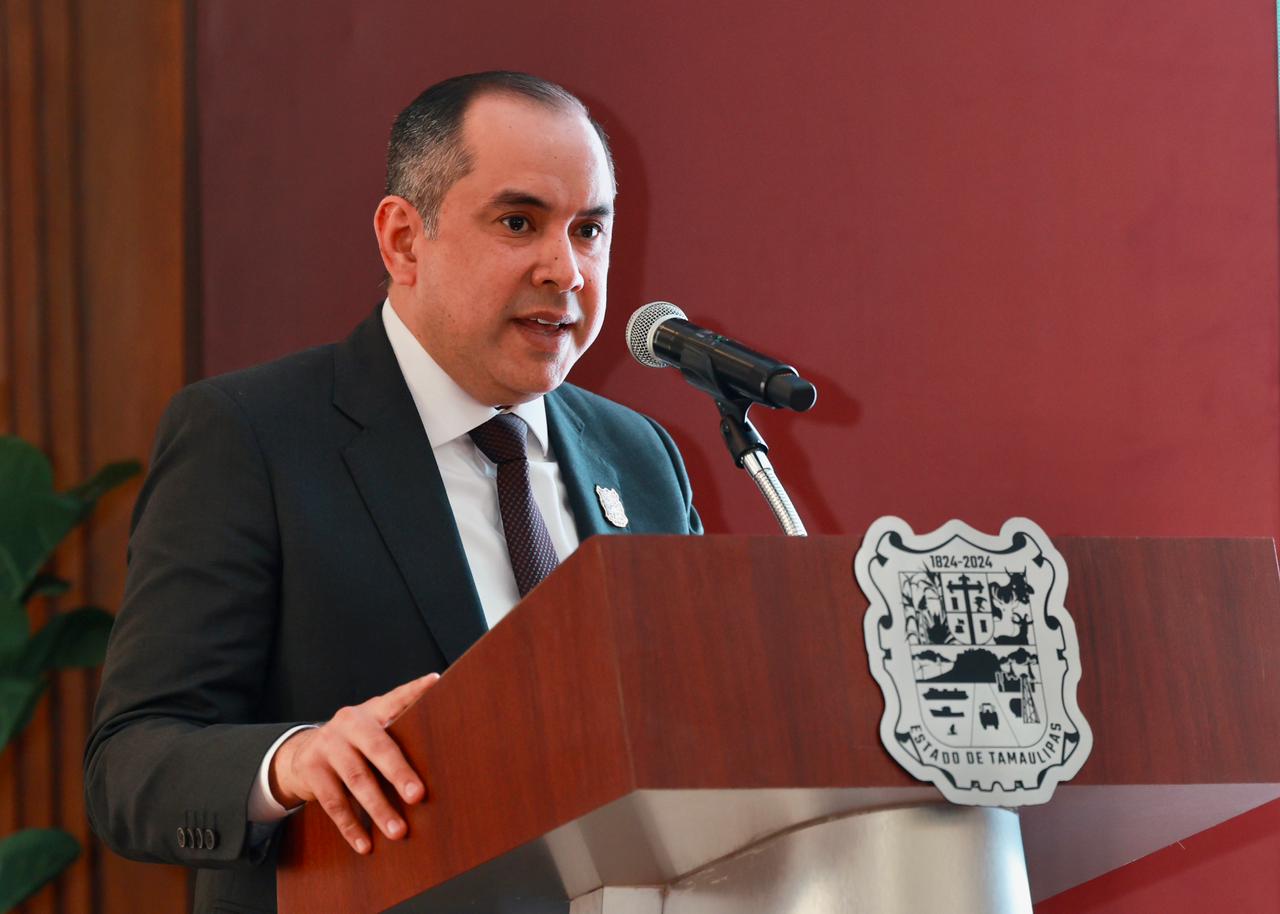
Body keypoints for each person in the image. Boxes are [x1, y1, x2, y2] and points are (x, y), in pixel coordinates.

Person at [84, 71, 701, 914]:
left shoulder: (640, 456)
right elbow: (131, 767)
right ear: (405, 240)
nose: (567, 270)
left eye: (589, 230)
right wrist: (291, 761)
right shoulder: (252, 436)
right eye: (518, 223)